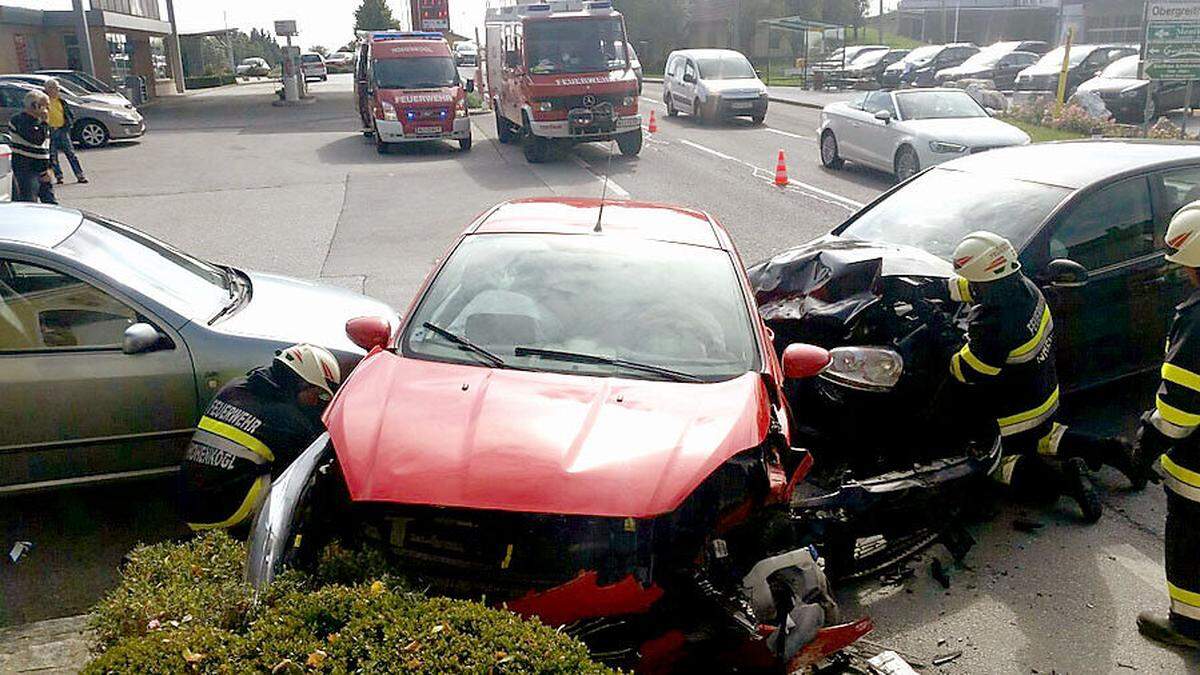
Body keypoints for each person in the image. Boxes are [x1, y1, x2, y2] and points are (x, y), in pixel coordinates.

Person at [912, 231, 1140, 523]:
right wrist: (934, 288)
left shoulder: (993, 319)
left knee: (992, 462)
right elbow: (977, 288)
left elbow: (966, 371)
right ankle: (1112, 449)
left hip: (1012, 417)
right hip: (1043, 397)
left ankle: (1063, 481)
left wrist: (941, 333)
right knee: (1046, 436)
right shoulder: (1024, 287)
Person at [180, 344, 341, 534]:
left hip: (188, 502)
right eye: (319, 394)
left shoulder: (234, 387)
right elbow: (316, 458)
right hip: (224, 513)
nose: (318, 403)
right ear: (300, 383)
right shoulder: (287, 419)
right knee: (309, 479)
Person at [1136, 201, 1200, 648]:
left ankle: (1188, 626)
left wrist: (1144, 445)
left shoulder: (1197, 323)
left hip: (1198, 469)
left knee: (1189, 543)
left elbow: (1178, 414)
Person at [8, 89, 57, 204]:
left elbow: (47, 147)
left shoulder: (40, 122)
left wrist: (49, 167)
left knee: (51, 204)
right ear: (35, 106)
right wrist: (44, 122)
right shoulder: (19, 120)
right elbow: (36, 140)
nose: (47, 110)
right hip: (26, 170)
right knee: (30, 203)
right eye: (45, 106)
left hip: (43, 169)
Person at [44, 79, 86, 185]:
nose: (57, 91)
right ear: (49, 89)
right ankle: (59, 176)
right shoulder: (44, 101)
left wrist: (68, 125)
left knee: (71, 154)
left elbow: (69, 114)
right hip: (50, 131)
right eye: (55, 89)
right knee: (53, 156)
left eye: (57, 89)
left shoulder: (61, 101)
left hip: (62, 130)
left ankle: (79, 175)